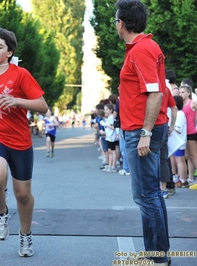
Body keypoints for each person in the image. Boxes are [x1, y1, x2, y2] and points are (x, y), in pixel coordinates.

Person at [0, 28, 48, 257]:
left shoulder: (21, 74)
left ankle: (25, 236)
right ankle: (1, 211)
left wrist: (17, 100)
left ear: (9, 52)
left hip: (20, 139)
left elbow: (43, 106)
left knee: (23, 194)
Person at [114, 1, 170, 265]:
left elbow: (156, 92)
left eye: (116, 20)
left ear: (122, 23)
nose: (115, 25)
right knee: (152, 194)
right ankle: (156, 252)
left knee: (146, 195)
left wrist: (145, 132)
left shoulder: (142, 49)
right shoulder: (144, 47)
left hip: (141, 129)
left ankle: (157, 256)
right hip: (141, 127)